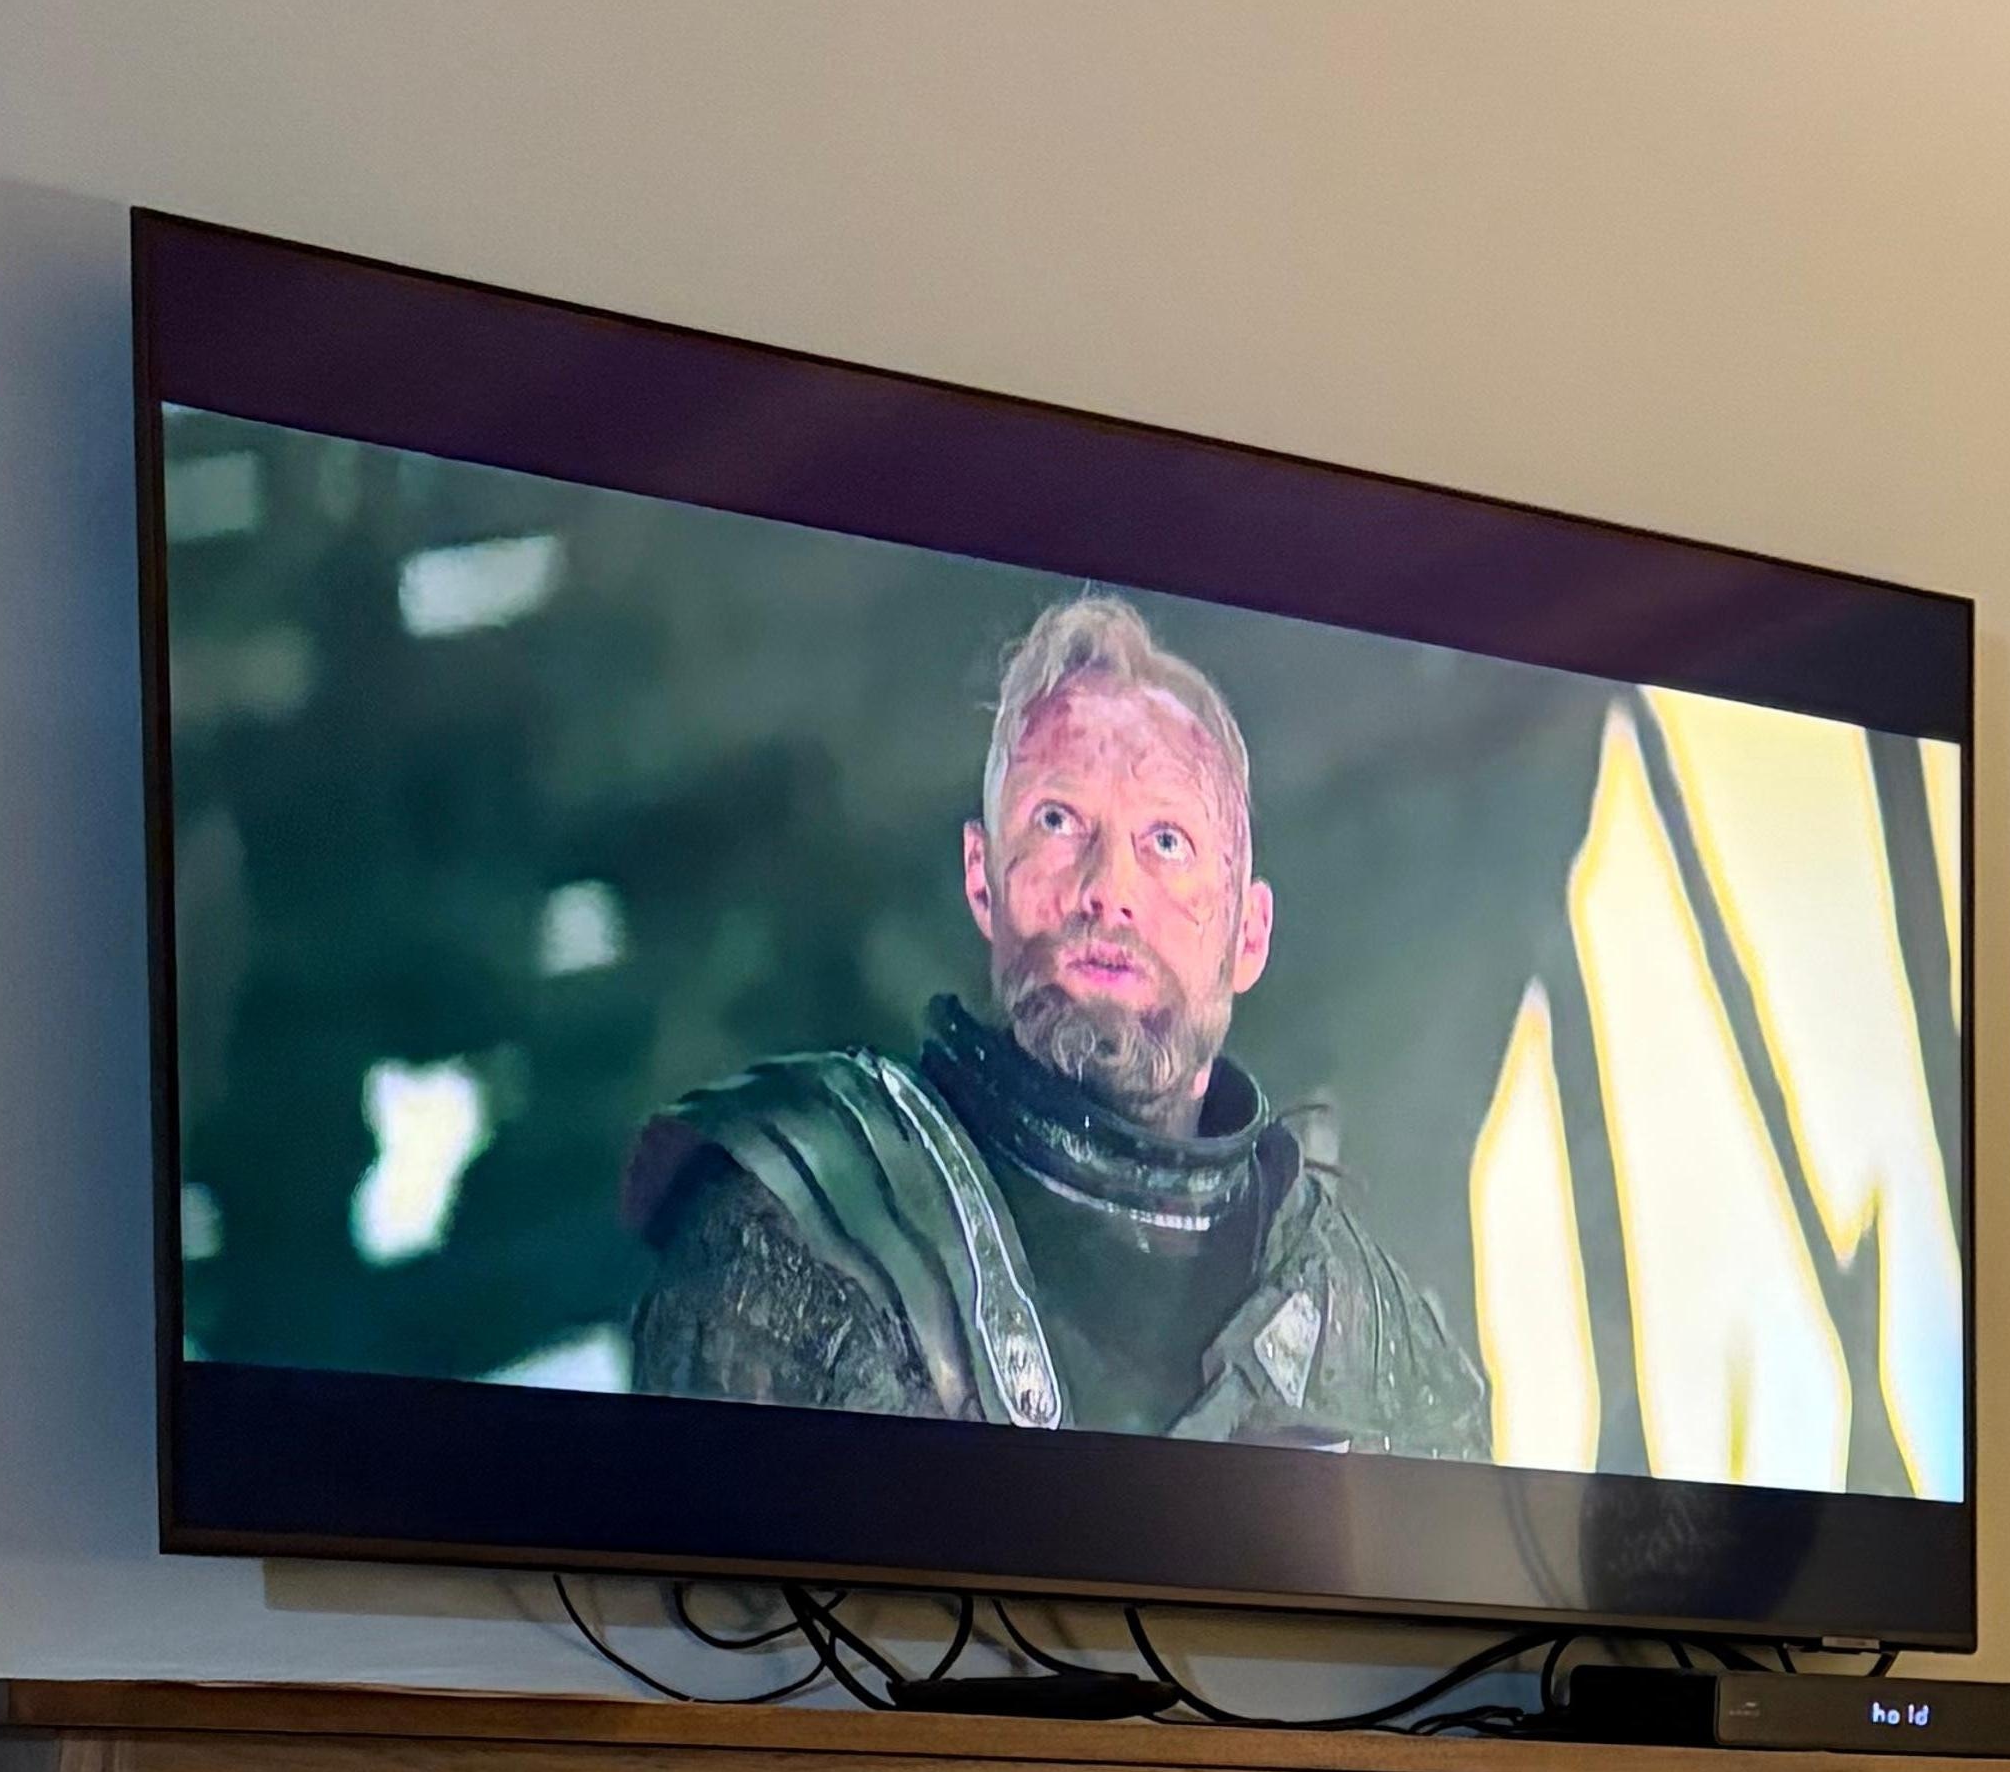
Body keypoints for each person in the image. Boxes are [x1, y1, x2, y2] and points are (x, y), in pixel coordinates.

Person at [624, 592, 1489, 1455]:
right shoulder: (808, 1218)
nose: (1107, 886)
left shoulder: (1366, 1330)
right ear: (982, 879)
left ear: (1248, 935)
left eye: (1166, 842)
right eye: (1058, 820)